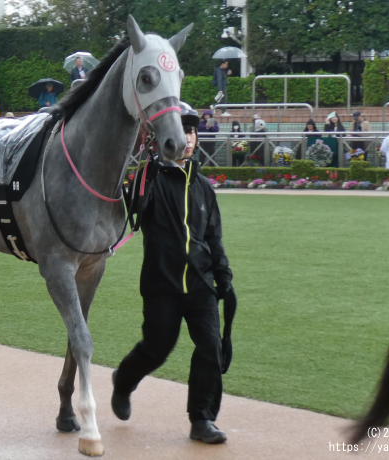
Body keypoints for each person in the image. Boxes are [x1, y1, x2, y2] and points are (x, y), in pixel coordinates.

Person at [111, 101, 236, 445]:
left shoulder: (204, 188)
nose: (189, 138)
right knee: (157, 348)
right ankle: (123, 381)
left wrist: (223, 276)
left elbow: (213, 238)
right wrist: (144, 166)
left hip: (200, 285)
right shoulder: (150, 179)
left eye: (193, 131)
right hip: (161, 284)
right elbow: (131, 209)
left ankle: (202, 418)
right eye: (182, 131)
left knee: (209, 347)